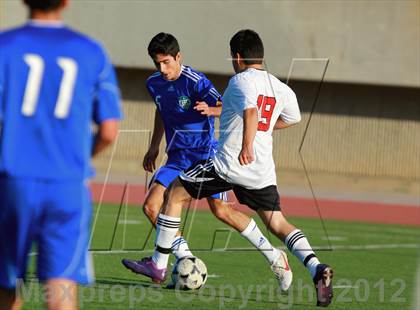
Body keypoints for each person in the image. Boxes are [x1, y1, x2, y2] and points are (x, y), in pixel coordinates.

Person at [133, 30, 334, 307]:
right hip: (260, 170)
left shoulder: (238, 81)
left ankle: (159, 263)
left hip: (228, 162)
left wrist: (246, 144)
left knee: (178, 196)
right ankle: (316, 267)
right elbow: (293, 118)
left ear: (237, 57)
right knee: (277, 222)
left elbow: (248, 111)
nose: (162, 69)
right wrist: (262, 132)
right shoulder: (279, 86)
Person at [121, 33, 292, 291]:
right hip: (177, 157)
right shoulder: (154, 83)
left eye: (167, 62)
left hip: (204, 155)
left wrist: (210, 111)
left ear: (178, 57)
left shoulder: (197, 82)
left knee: (221, 211)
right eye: (157, 64)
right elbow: (161, 109)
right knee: (151, 205)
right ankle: (184, 259)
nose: (163, 69)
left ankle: (274, 255)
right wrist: (154, 146)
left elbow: (227, 105)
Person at [0, 0, 122, 309]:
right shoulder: (91, 52)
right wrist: (78, 160)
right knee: (62, 290)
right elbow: (109, 130)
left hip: (13, 182)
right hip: (67, 185)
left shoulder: (5, 46)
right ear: (66, 2)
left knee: (7, 283)